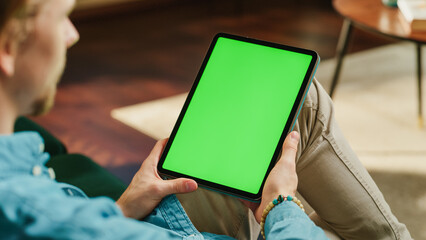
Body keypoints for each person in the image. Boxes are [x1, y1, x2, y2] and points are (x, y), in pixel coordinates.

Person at [0, 0, 412, 239]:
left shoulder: (22, 185)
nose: (71, 34)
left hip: (159, 220)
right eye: (61, 17)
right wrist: (281, 205)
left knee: (296, 98)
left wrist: (125, 206)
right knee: (301, 107)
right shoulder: (25, 205)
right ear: (8, 46)